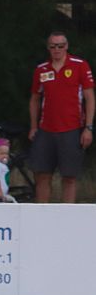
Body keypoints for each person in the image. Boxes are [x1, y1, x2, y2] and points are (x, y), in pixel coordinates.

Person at [28, 31, 95, 203]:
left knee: (70, 176)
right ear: (48, 48)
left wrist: (88, 127)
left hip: (72, 129)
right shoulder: (42, 69)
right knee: (42, 175)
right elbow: (35, 99)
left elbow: (89, 97)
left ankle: (67, 216)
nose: (57, 49)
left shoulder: (79, 65)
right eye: (53, 46)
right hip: (46, 129)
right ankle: (42, 213)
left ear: (66, 46)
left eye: (60, 46)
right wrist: (34, 126)